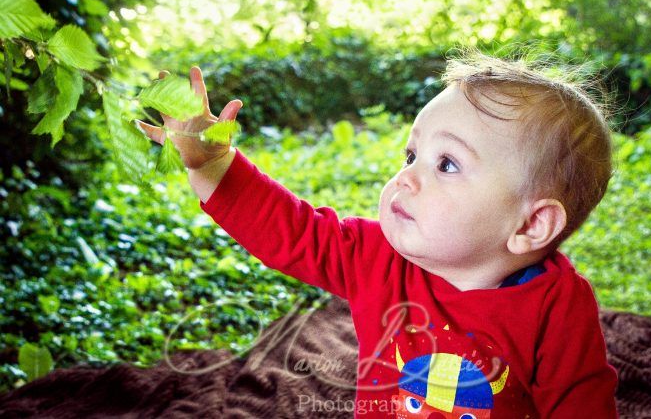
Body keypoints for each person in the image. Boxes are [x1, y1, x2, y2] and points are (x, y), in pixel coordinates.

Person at [137, 51, 619, 418]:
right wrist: (212, 162)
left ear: (531, 224)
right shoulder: (376, 256)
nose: (405, 178)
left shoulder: (557, 305)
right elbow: (291, 231)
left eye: (446, 164)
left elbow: (584, 407)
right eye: (411, 156)